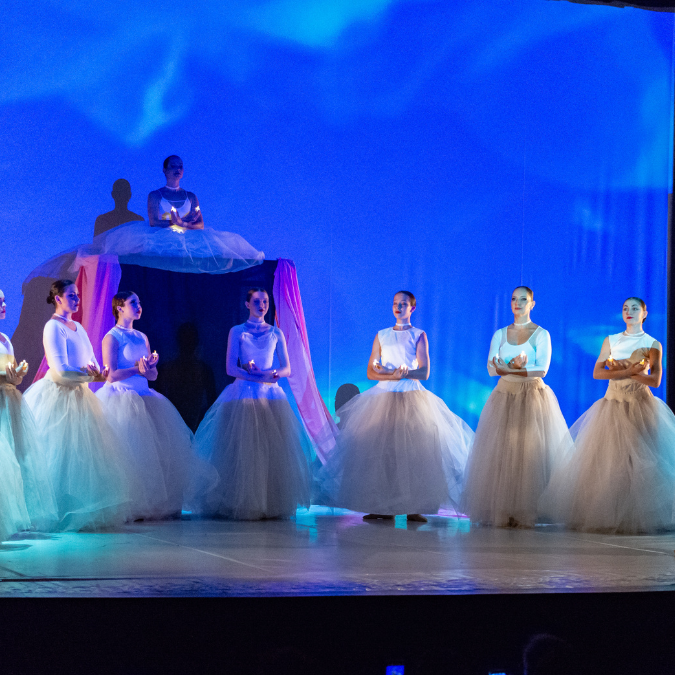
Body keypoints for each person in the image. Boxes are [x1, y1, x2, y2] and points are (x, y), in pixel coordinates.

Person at [320, 291, 473, 522]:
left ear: (412, 308)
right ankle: (381, 505)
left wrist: (404, 373)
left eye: (403, 304)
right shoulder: (382, 335)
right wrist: (390, 375)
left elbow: (424, 371)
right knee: (382, 453)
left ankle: (414, 506)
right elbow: (371, 371)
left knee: (414, 452)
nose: (398, 307)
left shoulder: (418, 335)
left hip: (411, 396)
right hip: (383, 396)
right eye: (395, 303)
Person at [540, 297, 675, 533]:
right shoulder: (611, 340)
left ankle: (637, 516)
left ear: (644, 313)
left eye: (635, 308)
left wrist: (627, 372)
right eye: (625, 308)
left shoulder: (652, 344)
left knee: (640, 461)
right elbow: (597, 373)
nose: (629, 312)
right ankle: (611, 514)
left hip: (640, 405)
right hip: (612, 403)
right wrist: (628, 370)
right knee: (610, 461)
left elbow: (655, 380)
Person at [97, 291, 216, 519]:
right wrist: (137, 368)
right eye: (133, 303)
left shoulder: (142, 337)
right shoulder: (112, 337)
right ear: (120, 307)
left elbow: (152, 376)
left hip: (145, 397)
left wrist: (150, 367)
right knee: (127, 453)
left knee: (151, 457)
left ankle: (149, 505)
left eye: (139, 302)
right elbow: (110, 374)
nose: (139, 306)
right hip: (122, 398)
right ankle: (127, 504)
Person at [194, 288, 312, 520]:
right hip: (244, 392)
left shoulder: (276, 332)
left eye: (265, 301)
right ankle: (241, 500)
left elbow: (287, 368)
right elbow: (231, 368)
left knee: (272, 450)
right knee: (243, 449)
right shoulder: (238, 331)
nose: (262, 305)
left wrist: (270, 374)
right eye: (257, 301)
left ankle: (270, 501)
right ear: (247, 304)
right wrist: (256, 376)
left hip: (270, 395)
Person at [23, 280, 131, 531]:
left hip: (81, 396)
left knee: (83, 459)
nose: (76, 299)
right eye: (71, 295)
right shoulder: (52, 327)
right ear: (58, 298)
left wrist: (100, 373)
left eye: (77, 295)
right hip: (59, 396)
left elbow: (91, 362)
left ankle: (82, 508)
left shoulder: (79, 327)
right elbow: (60, 370)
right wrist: (91, 376)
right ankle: (55, 511)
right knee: (59, 454)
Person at [461, 286, 570, 528]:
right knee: (503, 451)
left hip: (531, 396)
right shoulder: (500, 334)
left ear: (532, 304)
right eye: (513, 299)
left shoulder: (541, 334)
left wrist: (512, 368)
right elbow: (491, 368)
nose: (517, 303)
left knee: (529, 452)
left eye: (523, 299)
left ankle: (527, 508)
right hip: (505, 395)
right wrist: (511, 368)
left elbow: (542, 369)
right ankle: (503, 507)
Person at [95, 156, 265, 274]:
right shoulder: (155, 195)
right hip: (162, 238)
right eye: (173, 166)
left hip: (188, 238)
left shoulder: (190, 196)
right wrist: (173, 223)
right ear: (165, 170)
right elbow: (154, 222)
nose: (177, 169)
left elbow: (200, 224)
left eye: (180, 166)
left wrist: (182, 224)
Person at [0, 289, 57, 530]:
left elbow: (12, 374)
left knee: (16, 456)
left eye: (4, 301)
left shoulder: (5, 338)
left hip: (10, 399)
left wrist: (17, 375)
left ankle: (17, 514)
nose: (4, 305)